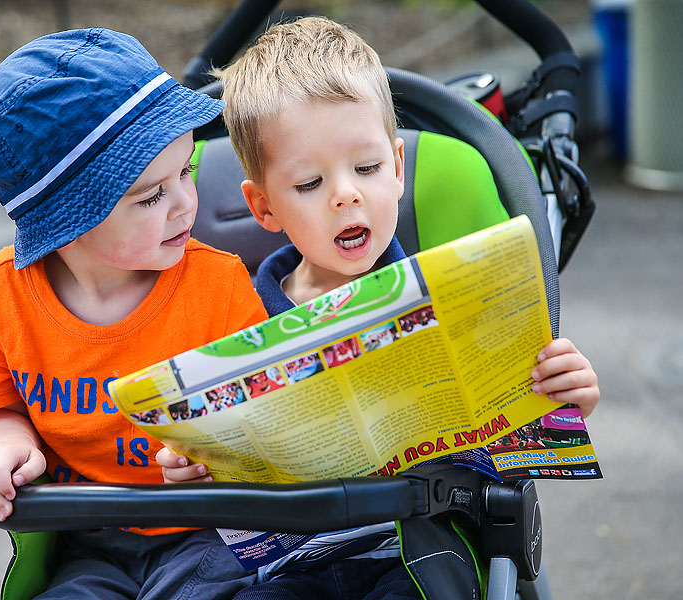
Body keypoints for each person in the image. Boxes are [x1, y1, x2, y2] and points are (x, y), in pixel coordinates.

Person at [161, 16, 600, 600]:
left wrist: (562, 395)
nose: (346, 193)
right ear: (264, 209)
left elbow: (522, 437)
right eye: (311, 183)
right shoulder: (236, 316)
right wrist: (194, 466)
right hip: (291, 560)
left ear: (397, 168)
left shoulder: (458, 300)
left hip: (417, 542)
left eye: (366, 169)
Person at [0, 28, 268, 600]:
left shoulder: (217, 284)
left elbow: (263, 413)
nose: (187, 202)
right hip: (86, 537)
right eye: (150, 196)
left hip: (211, 532)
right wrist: (4, 446)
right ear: (64, 221)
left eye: (186, 170)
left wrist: (218, 456)